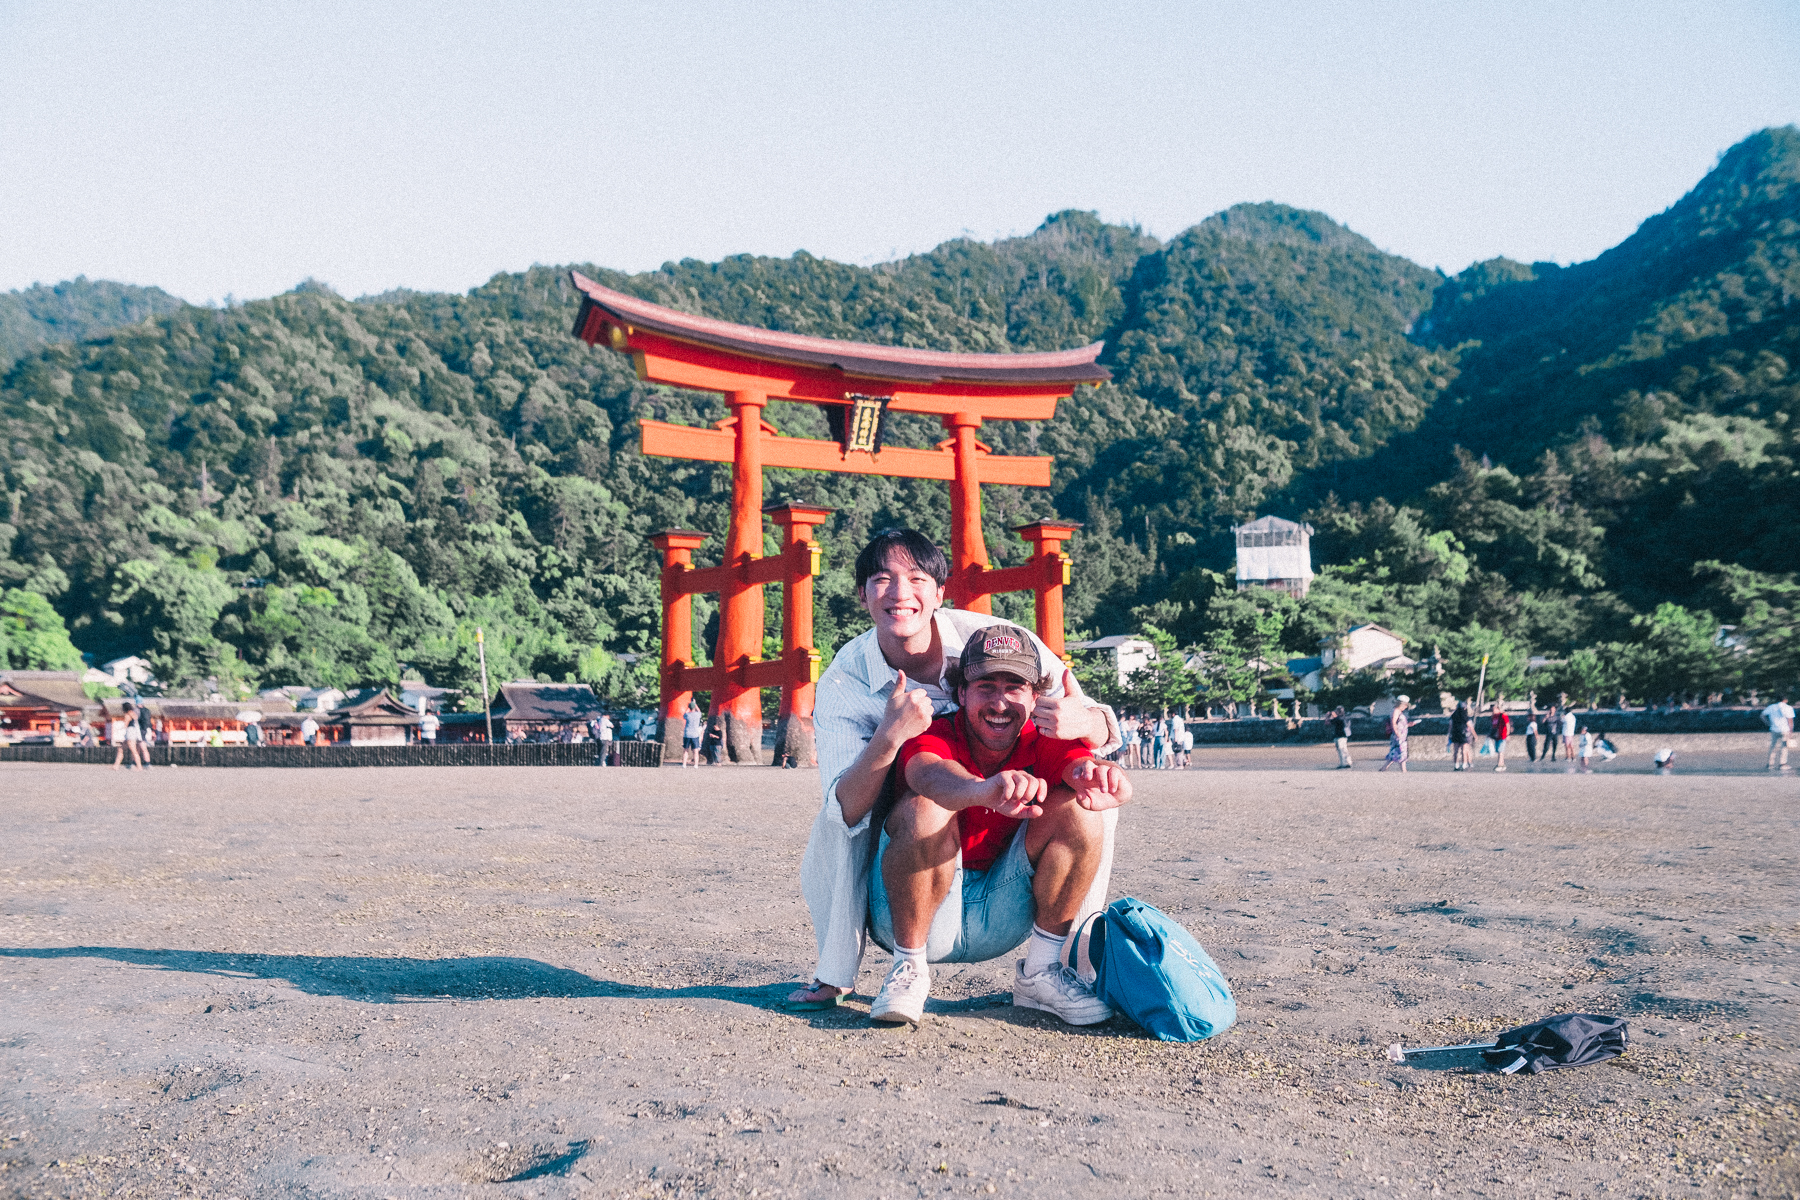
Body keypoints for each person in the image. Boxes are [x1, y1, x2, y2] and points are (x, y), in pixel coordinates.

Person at [789, 528, 1119, 1015]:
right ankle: (865, 969)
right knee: (915, 808)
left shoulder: (997, 641)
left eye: (917, 579)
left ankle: (1054, 968)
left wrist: (1085, 721)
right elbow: (845, 811)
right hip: (904, 879)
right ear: (862, 595)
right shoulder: (845, 680)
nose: (901, 593)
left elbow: (1089, 718)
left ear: (940, 594)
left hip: (1003, 882)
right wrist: (888, 737)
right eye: (882, 579)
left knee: (1089, 805)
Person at [866, 624, 1133, 1026]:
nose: (1000, 702)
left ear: (1035, 696)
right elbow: (928, 774)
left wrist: (1100, 776)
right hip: (910, 912)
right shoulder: (936, 733)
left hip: (1001, 912)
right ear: (960, 693)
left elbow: (1079, 766)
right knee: (925, 806)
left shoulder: (1043, 737)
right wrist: (984, 790)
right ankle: (908, 969)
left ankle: (1041, 973)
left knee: (1081, 810)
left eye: (1014, 687)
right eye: (985, 686)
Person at [1379, 695, 1422, 772]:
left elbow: (1401, 724)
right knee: (1401, 751)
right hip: (1398, 735)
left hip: (1401, 735)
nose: (1406, 707)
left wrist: (1409, 724)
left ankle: (1384, 768)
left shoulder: (1399, 712)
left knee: (1395, 752)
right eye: (1406, 705)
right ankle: (1403, 770)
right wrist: (1396, 732)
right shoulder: (1396, 711)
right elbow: (1393, 722)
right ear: (1402, 704)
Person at [111, 703, 148, 771]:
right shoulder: (134, 713)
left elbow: (125, 724)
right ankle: (116, 765)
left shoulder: (127, 714)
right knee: (120, 749)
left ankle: (139, 767)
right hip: (133, 733)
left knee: (133, 751)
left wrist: (118, 729)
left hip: (129, 733)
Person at [1762, 694, 1794, 771]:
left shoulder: (1771, 707)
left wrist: (1768, 723)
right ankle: (1782, 764)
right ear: (1785, 700)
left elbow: (1762, 715)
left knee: (1772, 747)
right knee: (1784, 747)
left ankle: (1770, 764)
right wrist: (1791, 731)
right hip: (1784, 729)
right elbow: (1790, 721)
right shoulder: (1788, 708)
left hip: (1774, 729)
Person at [1449, 700, 1473, 771]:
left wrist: (1449, 733)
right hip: (1463, 734)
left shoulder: (1454, 715)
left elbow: (1450, 725)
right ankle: (1464, 764)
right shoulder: (1464, 715)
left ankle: (1456, 765)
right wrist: (1474, 734)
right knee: (1464, 750)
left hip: (1455, 733)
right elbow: (1469, 725)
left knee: (1456, 751)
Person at [680, 699, 705, 767]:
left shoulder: (687, 715)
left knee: (685, 750)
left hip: (687, 734)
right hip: (695, 735)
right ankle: (696, 765)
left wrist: (689, 706)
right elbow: (699, 710)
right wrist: (695, 703)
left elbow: (684, 714)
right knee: (695, 751)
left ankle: (684, 764)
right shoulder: (698, 714)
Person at [1489, 704, 1510, 772]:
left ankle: (1499, 764)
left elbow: (1507, 724)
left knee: (1501, 750)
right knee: (1498, 750)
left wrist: (1507, 734)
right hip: (1497, 736)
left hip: (1503, 735)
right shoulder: (1493, 717)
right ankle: (1502, 764)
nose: (1492, 711)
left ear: (1497, 709)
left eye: (1493, 709)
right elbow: (1493, 726)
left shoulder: (1503, 715)